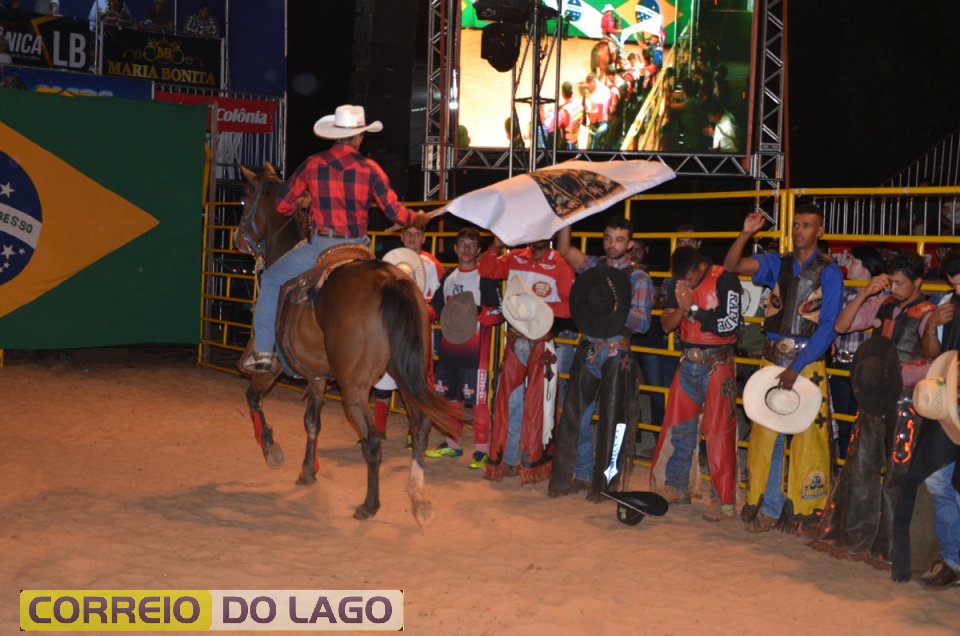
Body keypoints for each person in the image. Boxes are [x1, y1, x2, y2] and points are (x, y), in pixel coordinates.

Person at [243, 104, 429, 372]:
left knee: (271, 279)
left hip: (322, 246)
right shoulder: (371, 169)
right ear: (359, 137)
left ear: (335, 134)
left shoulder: (313, 163)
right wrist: (416, 218)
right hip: (358, 247)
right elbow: (394, 213)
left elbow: (282, 205)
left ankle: (262, 351)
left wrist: (302, 201)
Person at [724, 204, 843, 535]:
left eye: (807, 225)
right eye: (796, 224)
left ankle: (807, 511)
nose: (799, 230)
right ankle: (769, 506)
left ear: (819, 231)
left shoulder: (830, 272)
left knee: (809, 438)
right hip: (773, 361)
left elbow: (829, 326)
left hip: (807, 364)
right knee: (766, 436)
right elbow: (731, 265)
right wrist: (746, 233)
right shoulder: (777, 263)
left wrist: (798, 366)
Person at [548, 216, 653, 501]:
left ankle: (606, 483)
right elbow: (565, 249)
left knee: (615, 421)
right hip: (591, 347)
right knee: (575, 416)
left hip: (617, 352)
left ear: (629, 244)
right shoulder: (594, 266)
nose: (612, 244)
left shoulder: (638, 277)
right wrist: (567, 217)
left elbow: (642, 323)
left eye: (619, 239)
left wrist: (610, 308)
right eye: (608, 238)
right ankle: (582, 474)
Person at [650, 244, 742, 521]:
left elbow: (729, 325)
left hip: (718, 364)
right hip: (689, 361)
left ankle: (723, 499)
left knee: (719, 433)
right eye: (682, 279)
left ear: (702, 267)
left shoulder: (725, 279)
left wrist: (693, 307)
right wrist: (682, 308)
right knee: (680, 429)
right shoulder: (679, 283)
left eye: (689, 279)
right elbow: (666, 325)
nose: (686, 283)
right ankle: (677, 487)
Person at [478, 235, 575, 482]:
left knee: (541, 403)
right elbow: (487, 270)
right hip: (518, 338)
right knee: (513, 402)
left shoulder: (560, 263)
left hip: (542, 340)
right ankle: (512, 459)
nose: (539, 235)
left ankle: (533, 460)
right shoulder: (515, 257)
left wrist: (541, 310)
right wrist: (496, 244)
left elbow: (570, 305)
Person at [425, 227, 503, 467]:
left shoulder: (485, 277)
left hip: (476, 351)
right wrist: (420, 311)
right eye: (462, 244)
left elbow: (499, 313)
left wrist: (478, 313)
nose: (467, 249)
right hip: (449, 348)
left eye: (472, 245)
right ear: (455, 248)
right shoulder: (449, 277)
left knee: (478, 400)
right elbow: (436, 308)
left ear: (479, 250)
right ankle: (452, 444)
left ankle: (481, 450)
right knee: (450, 398)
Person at [371, 223, 445, 441]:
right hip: (391, 326)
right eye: (409, 234)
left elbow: (437, 300)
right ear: (402, 237)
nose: (413, 238)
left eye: (417, 234)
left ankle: (414, 432)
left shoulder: (432, 265)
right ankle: (379, 430)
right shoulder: (388, 261)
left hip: (416, 330)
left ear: (424, 238)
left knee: (414, 381)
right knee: (383, 380)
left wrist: (422, 314)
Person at [917, 246, 960, 587]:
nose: (958, 289)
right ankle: (952, 559)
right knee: (938, 480)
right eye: (954, 282)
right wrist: (932, 326)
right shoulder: (947, 303)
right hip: (948, 402)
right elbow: (933, 355)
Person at [835, 252, 934, 389]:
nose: (893, 289)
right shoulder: (883, 303)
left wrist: (897, 374)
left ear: (917, 282)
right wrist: (864, 293)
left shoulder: (929, 314)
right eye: (891, 282)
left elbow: (934, 362)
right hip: (877, 386)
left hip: (908, 391)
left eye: (899, 283)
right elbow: (841, 327)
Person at [829, 244, 887, 459]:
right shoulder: (844, 290)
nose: (848, 264)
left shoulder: (881, 297)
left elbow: (845, 324)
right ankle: (844, 467)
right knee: (842, 422)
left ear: (868, 267)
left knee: (861, 423)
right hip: (840, 363)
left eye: (854, 261)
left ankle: (858, 469)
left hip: (864, 368)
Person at [555, 80, 583, 150]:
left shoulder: (563, 110)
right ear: (572, 92)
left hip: (567, 145)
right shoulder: (579, 104)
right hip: (575, 142)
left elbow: (555, 126)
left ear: (562, 94)